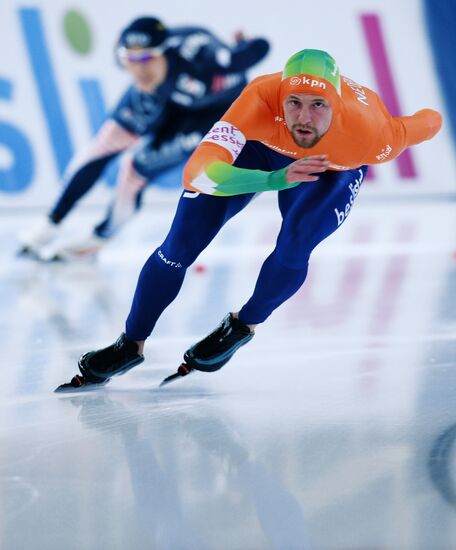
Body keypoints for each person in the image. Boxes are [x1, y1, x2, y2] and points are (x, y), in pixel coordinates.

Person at [56, 48, 442, 391]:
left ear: (337, 105)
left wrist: (435, 118)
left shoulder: (371, 133)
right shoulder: (259, 98)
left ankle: (244, 324)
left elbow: (426, 123)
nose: (304, 119)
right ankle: (130, 343)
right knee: (178, 245)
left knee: (296, 242)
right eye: (294, 103)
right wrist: (273, 178)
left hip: (330, 166)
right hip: (263, 153)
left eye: (318, 105)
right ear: (280, 97)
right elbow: (197, 173)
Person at [19, 17, 269, 261]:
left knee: (134, 170)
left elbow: (260, 48)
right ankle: (50, 223)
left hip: (210, 114)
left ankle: (98, 238)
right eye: (130, 60)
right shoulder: (142, 76)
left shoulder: (200, 54)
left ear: (165, 52)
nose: (138, 69)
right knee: (102, 145)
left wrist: (243, 48)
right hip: (166, 100)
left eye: (147, 58)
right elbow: (100, 151)